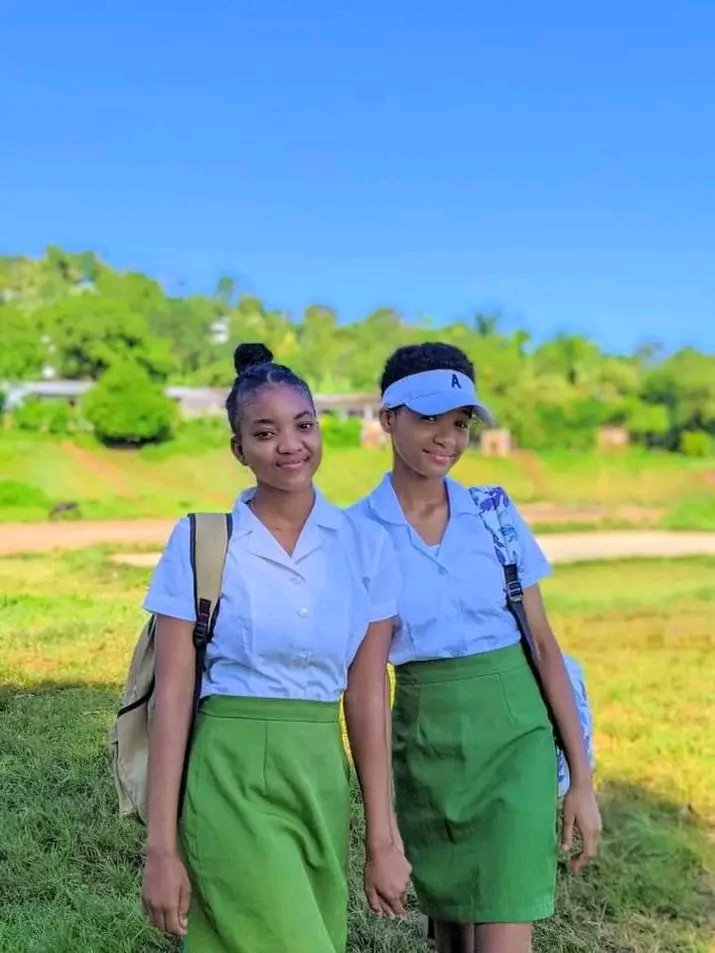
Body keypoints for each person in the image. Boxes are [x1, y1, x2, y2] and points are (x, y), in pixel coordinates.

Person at [140, 343, 411, 953]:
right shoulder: (201, 542)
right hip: (228, 775)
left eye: (303, 425)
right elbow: (172, 699)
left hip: (320, 779)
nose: (290, 445)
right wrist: (161, 849)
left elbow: (368, 698)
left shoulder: (365, 545)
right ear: (239, 449)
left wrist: (382, 839)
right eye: (265, 433)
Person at [352, 343, 602, 953]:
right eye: (428, 418)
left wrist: (583, 781)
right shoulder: (357, 530)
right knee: (454, 930)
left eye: (461, 423)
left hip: (516, 737)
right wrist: (380, 829)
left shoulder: (493, 512)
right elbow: (365, 684)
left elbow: (543, 646)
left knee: (504, 918)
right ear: (388, 418)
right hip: (426, 744)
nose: (447, 438)